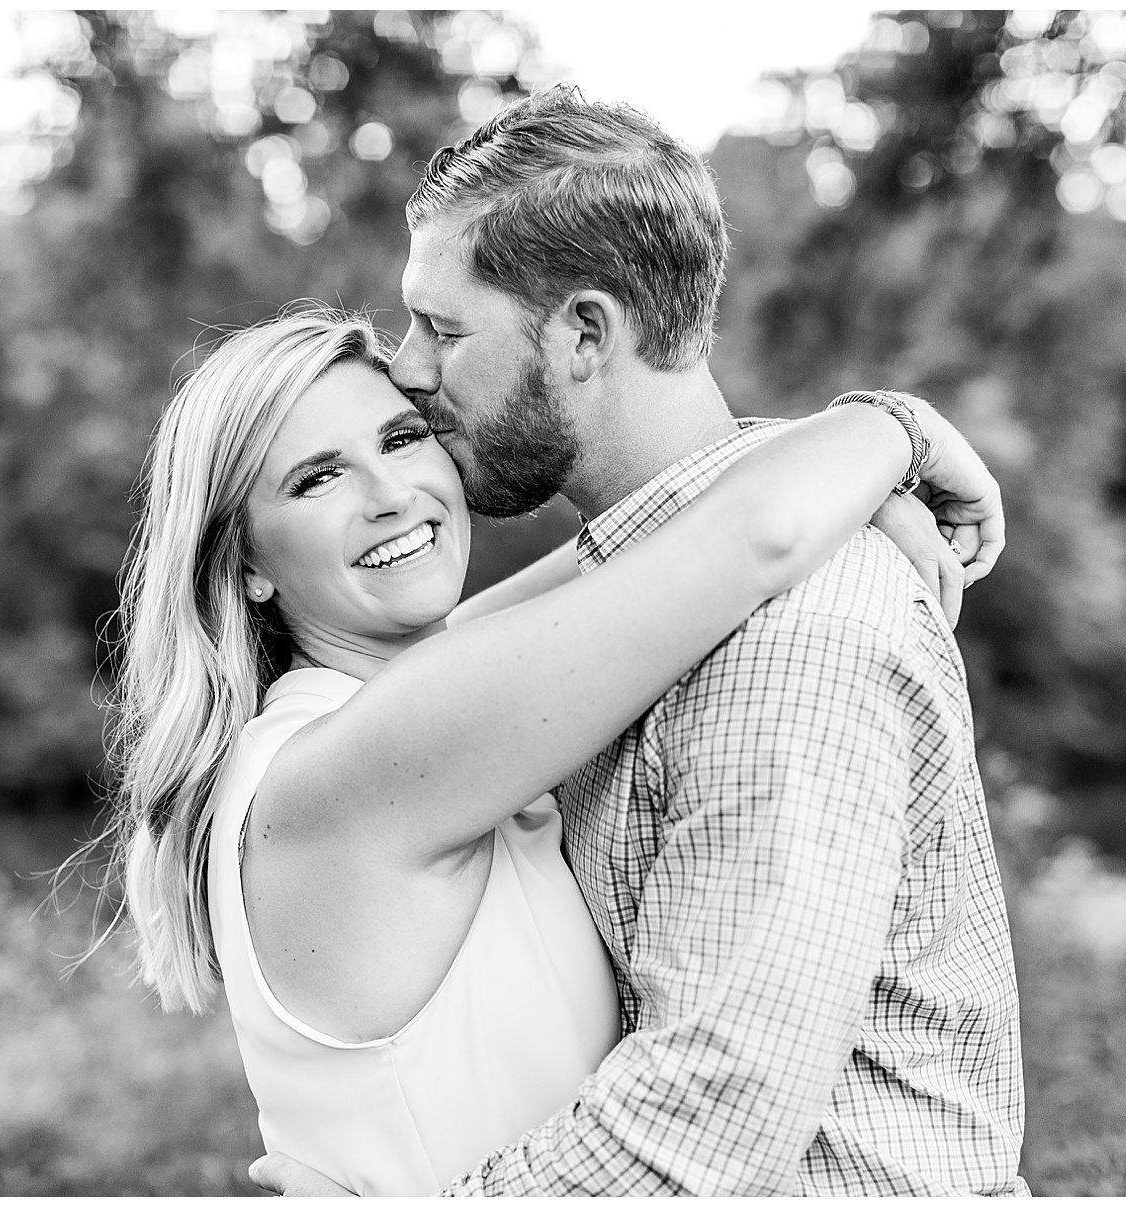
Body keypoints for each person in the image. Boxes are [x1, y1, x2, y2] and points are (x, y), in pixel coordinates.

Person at [249, 86, 1026, 1196]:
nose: (412, 367)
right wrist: (870, 436)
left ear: (582, 333)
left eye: (445, 327)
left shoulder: (786, 639)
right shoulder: (633, 606)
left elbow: (701, 1120)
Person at [105, 305, 1000, 1195]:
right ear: (247, 565)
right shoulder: (359, 761)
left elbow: (642, 540)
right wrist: (895, 427)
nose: (391, 495)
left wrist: (851, 488)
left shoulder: (396, 702)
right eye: (316, 480)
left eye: (404, 437)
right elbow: (752, 535)